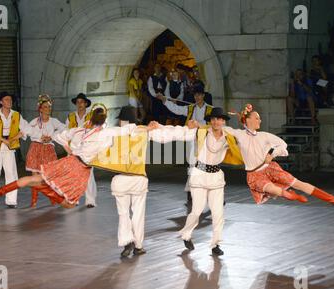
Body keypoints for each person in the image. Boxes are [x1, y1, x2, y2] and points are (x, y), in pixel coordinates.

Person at [0, 106, 154, 209]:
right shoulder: (106, 133)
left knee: (36, 179)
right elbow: (127, 131)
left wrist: (69, 149)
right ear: (104, 122)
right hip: (81, 169)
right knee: (70, 204)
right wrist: (147, 128)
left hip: (70, 161)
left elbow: (59, 136)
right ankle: (42, 189)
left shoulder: (80, 130)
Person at [98, 106, 196, 258]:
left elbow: (95, 143)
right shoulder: (144, 130)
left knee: (123, 213)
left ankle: (126, 242)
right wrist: (186, 129)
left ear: (120, 119)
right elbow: (168, 135)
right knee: (138, 213)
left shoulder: (113, 133)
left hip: (120, 179)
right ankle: (138, 245)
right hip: (138, 178)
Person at [151, 108, 241, 256]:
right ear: (210, 121)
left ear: (223, 121)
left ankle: (216, 244)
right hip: (199, 174)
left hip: (216, 177)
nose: (216, 122)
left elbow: (247, 139)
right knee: (197, 210)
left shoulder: (229, 136)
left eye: (219, 119)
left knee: (218, 213)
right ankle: (186, 234)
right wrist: (160, 127)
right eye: (213, 119)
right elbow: (179, 132)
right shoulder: (201, 132)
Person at [225, 104, 334, 208]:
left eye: (259, 118)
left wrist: (271, 154)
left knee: (299, 184)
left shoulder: (264, 136)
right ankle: (288, 194)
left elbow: (282, 145)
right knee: (271, 188)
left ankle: (332, 199)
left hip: (270, 168)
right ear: (248, 120)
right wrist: (217, 120)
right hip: (254, 174)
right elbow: (223, 129)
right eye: (257, 118)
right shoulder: (239, 134)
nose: (260, 120)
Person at [0, 92, 33, 209]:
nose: (9, 102)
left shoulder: (16, 115)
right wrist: (2, 140)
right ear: (1, 102)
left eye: (10, 100)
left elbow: (26, 129)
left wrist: (13, 139)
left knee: (11, 174)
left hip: (9, 147)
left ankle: (11, 201)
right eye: (6, 100)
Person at [26, 94, 66, 207]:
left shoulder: (54, 121)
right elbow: (27, 131)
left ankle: (53, 198)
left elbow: (64, 128)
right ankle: (34, 200)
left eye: (49, 107)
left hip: (48, 149)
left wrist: (52, 136)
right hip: (36, 148)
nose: (48, 109)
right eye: (45, 107)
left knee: (50, 176)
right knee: (34, 176)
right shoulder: (34, 121)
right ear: (40, 109)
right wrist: (40, 137)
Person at [66, 93, 98, 208]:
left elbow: (96, 132)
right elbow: (66, 133)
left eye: (82, 102)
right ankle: (74, 198)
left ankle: (90, 200)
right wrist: (68, 148)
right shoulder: (70, 117)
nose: (79, 104)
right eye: (78, 102)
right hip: (73, 149)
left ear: (86, 104)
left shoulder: (92, 116)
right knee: (74, 174)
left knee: (88, 174)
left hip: (87, 149)